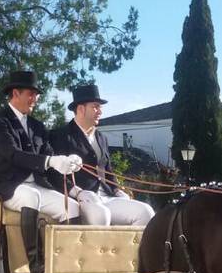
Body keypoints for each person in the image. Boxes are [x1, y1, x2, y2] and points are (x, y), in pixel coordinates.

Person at [0, 70, 83, 273]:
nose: (35, 99)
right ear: (15, 93)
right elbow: (12, 154)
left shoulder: (37, 126)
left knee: (71, 207)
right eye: (31, 94)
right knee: (31, 197)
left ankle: (69, 262)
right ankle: (35, 263)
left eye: (36, 95)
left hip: (38, 184)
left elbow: (49, 156)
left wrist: (67, 162)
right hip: (9, 185)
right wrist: (50, 161)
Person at [50, 84, 154, 226]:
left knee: (146, 212)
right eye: (95, 107)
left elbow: (108, 170)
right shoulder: (60, 135)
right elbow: (54, 174)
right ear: (81, 109)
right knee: (101, 215)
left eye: (100, 107)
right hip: (81, 199)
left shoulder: (102, 138)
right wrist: (77, 192)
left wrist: (117, 190)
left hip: (106, 196)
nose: (100, 111)